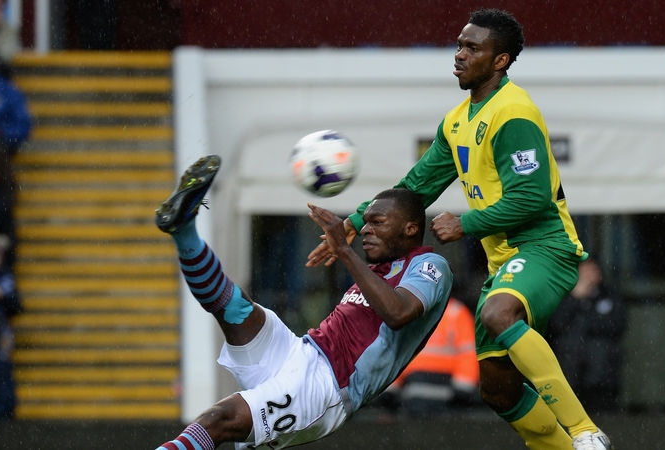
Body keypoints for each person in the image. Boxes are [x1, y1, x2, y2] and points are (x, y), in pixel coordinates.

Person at [308, 8, 610, 449]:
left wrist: (465, 223)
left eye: (472, 47)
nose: (459, 55)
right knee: (498, 389)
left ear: (501, 60)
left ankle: (584, 432)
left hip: (545, 247)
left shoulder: (514, 112)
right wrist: (353, 223)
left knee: (497, 313)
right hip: (505, 261)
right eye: (459, 45)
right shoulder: (456, 121)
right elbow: (416, 186)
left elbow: (532, 198)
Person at [154, 155, 453, 449]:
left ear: (410, 228)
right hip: (301, 350)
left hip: (328, 387)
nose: (365, 229)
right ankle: (184, 231)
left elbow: (398, 313)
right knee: (236, 308)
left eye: (377, 222)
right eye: (367, 223)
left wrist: (344, 251)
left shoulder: (430, 265)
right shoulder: (377, 269)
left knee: (217, 420)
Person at [546, 258, 628, 413]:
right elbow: (555, 325)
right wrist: (575, 299)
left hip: (602, 373)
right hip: (568, 371)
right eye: (583, 272)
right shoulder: (561, 296)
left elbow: (618, 325)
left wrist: (588, 320)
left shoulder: (610, 295)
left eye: (592, 271)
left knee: (604, 413)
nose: (588, 276)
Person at [384, 296, 479, 418]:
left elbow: (467, 353)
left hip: (441, 390)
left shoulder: (455, 312)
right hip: (417, 390)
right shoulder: (455, 312)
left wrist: (389, 387)